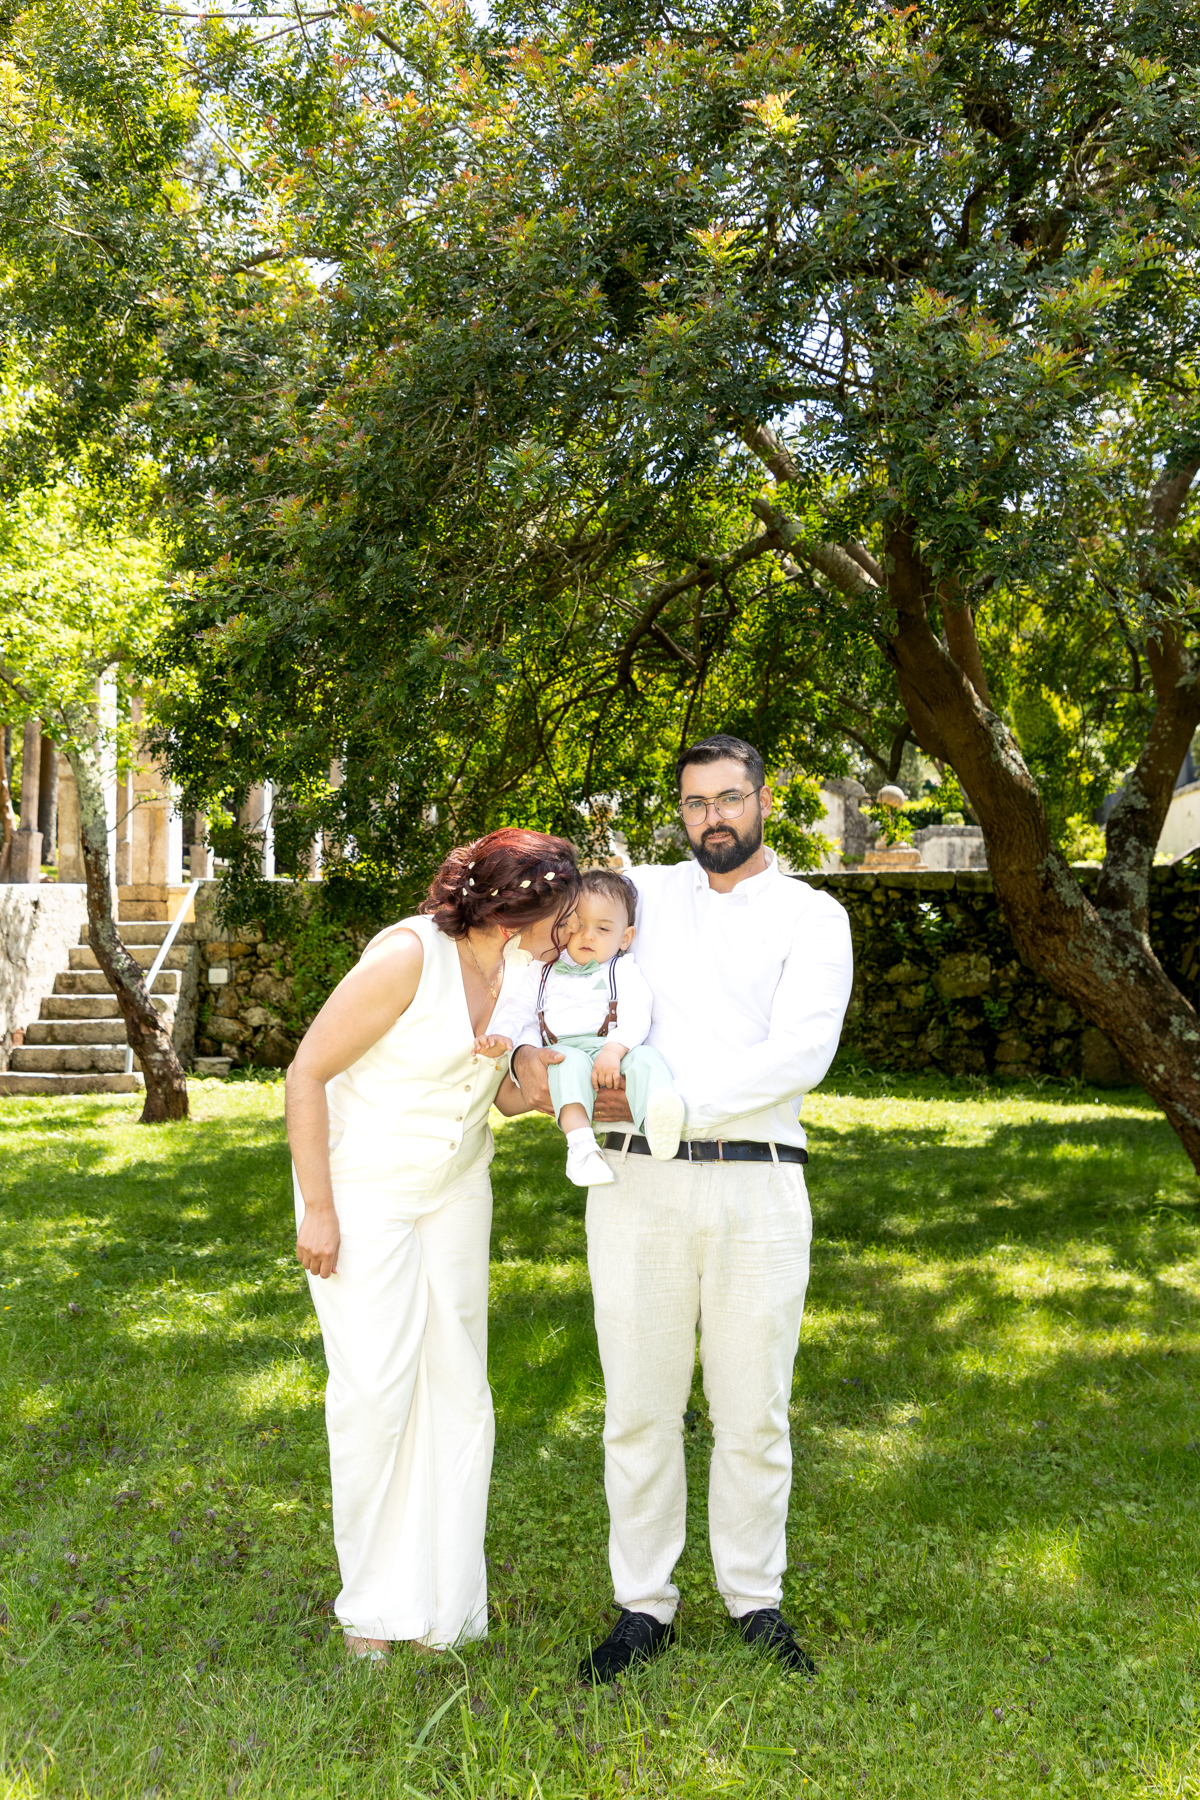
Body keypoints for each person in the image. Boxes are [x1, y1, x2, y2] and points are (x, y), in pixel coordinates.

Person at [496, 735, 854, 1683]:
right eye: (695, 804)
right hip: (635, 1182)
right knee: (639, 1406)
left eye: (730, 799)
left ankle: (754, 1598)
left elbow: (800, 1055)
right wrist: (528, 1057)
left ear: (765, 800)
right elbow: (542, 939)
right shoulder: (640, 894)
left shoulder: (813, 917)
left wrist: (678, 1099)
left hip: (759, 1180)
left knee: (753, 1409)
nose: (713, 819)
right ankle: (641, 1604)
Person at [287, 828, 581, 1661]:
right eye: (556, 914)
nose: (567, 929)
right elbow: (305, 1072)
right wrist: (319, 1208)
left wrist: (560, 1082)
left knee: (457, 1389)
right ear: (512, 910)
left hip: (455, 1188)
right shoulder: (407, 957)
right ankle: (372, 1612)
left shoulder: (524, 968)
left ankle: (447, 1608)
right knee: (375, 1394)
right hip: (362, 1190)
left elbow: (501, 1096)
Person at [476, 868, 684, 1187]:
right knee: (566, 1065)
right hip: (563, 1049)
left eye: (603, 928)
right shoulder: (543, 970)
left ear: (625, 938)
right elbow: (519, 1009)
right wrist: (502, 1033)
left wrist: (615, 1051)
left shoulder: (623, 971)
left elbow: (637, 1015)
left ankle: (658, 1120)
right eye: (579, 925)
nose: (588, 936)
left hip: (610, 1048)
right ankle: (582, 1148)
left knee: (647, 1061)